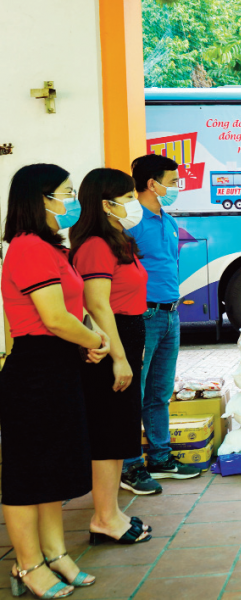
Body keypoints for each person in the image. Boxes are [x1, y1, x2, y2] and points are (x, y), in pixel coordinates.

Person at [1, 164, 108, 597]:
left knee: (53, 469)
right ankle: (27, 565)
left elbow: (70, 309)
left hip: (60, 366)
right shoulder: (27, 248)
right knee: (28, 473)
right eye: (65, 192)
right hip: (36, 371)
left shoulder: (52, 248)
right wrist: (95, 339)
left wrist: (88, 339)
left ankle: (55, 552)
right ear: (41, 198)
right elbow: (53, 318)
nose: (72, 202)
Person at [70, 168, 153, 545]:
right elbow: (97, 305)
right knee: (108, 431)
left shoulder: (117, 240)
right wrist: (117, 357)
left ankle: (112, 512)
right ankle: (103, 518)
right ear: (105, 203)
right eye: (127, 197)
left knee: (120, 429)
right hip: (110, 341)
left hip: (127, 334)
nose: (133, 203)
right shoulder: (94, 247)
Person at [120, 154, 203, 496]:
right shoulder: (130, 223)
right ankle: (129, 465)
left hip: (170, 313)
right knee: (134, 393)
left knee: (159, 391)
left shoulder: (166, 220)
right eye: (172, 181)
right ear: (152, 184)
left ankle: (160, 457)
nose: (177, 187)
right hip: (143, 315)